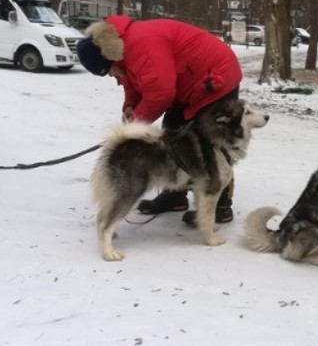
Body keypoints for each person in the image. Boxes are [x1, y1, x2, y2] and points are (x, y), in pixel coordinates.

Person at [76, 14, 243, 225]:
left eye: (108, 70)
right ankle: (174, 195)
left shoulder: (141, 45)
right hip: (187, 85)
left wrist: (136, 124)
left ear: (110, 56)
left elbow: (160, 93)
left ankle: (220, 205)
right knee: (173, 136)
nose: (111, 75)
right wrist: (130, 107)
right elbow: (132, 79)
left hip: (216, 80)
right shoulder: (121, 48)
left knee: (213, 146)